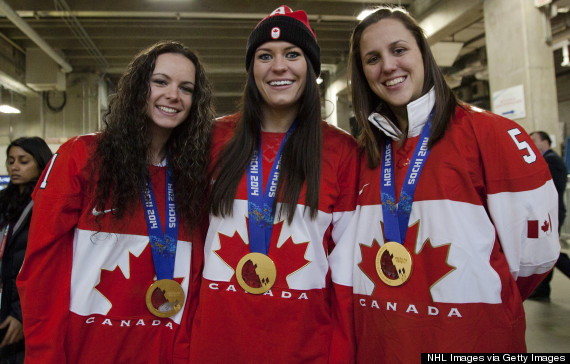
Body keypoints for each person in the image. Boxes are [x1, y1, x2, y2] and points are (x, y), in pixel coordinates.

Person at [347, 6, 560, 361]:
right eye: (372, 58)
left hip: (472, 342)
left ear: (422, 54)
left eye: (399, 50)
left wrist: (474, 293)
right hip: (382, 347)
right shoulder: (361, 154)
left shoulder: (491, 133)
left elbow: (534, 259)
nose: (387, 66)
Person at [16, 40, 215, 363]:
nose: (173, 95)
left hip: (165, 351)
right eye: (160, 81)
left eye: (186, 88)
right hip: (88, 349)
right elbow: (40, 272)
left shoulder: (194, 176)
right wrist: (44, 355)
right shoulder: (80, 157)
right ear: (138, 87)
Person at [189, 5, 358, 363]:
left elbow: (346, 272)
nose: (278, 66)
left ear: (310, 68)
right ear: (252, 70)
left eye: (292, 54)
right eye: (265, 56)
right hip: (216, 346)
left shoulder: (341, 151)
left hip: (304, 348)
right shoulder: (213, 139)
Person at [0, 137, 52, 364]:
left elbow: (46, 265)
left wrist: (21, 314)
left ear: (41, 163)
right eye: (10, 161)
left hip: (27, 308)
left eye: (23, 161)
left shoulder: (46, 203)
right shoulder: (4, 201)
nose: (14, 167)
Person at [529, 131, 570, 301]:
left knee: (551, 250)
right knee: (543, 250)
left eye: (533, 140)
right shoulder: (544, 160)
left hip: (550, 214)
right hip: (543, 213)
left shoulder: (551, 160)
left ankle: (543, 288)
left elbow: (555, 188)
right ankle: (543, 289)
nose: (530, 143)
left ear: (545, 142)